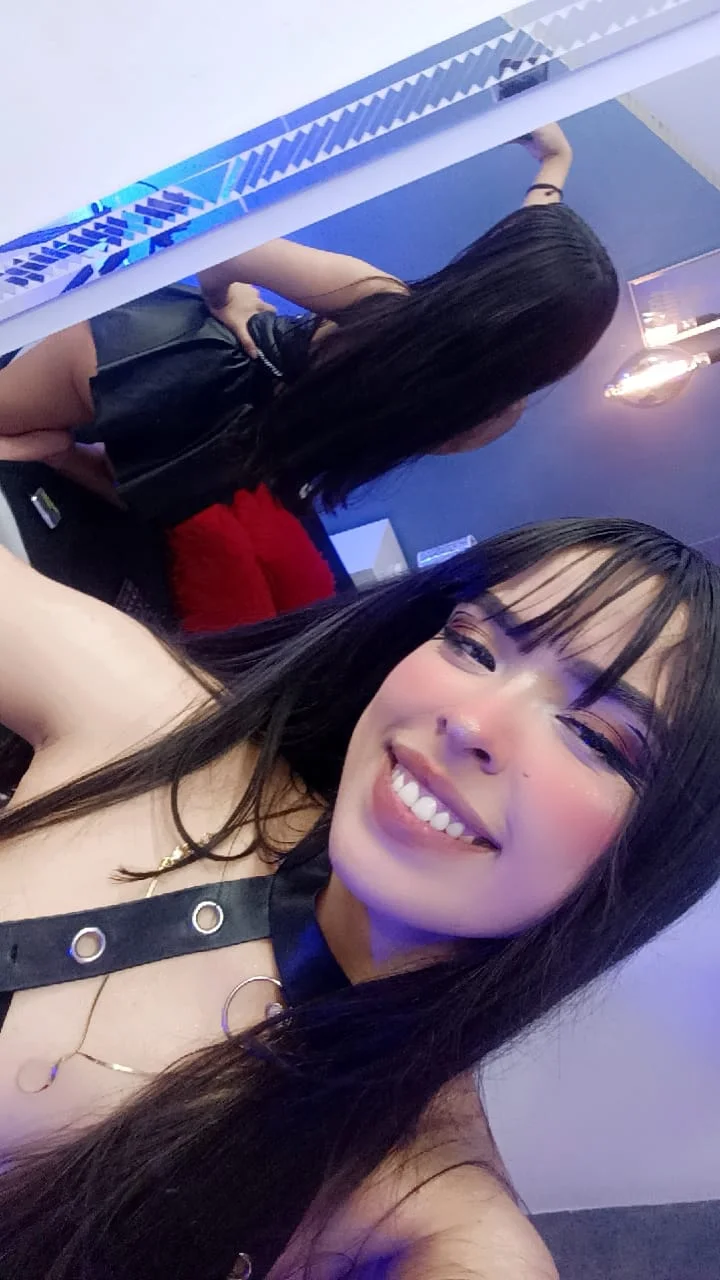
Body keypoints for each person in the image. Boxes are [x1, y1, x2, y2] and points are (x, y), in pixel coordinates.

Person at [0, 514, 719, 1280]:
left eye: (595, 737)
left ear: (647, 861)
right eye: (473, 646)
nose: (471, 720)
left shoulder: (430, 1217)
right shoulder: (171, 739)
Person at [0, 126, 618, 524]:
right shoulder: (487, 419)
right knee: (133, 482)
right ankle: (58, 454)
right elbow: (527, 292)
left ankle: (44, 438)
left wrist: (230, 301)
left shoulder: (375, 299)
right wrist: (554, 165)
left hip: (171, 365)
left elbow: (226, 254)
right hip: (218, 455)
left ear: (489, 267)